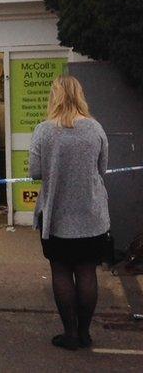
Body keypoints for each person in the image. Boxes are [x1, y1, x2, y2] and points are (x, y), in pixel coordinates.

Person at [29, 75, 110, 351]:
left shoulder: (43, 130)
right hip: (92, 217)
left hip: (56, 217)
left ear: (55, 97)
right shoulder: (96, 129)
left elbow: (35, 172)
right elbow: (102, 169)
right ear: (80, 95)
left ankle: (70, 334)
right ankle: (85, 333)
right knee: (88, 272)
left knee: (61, 271)